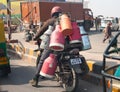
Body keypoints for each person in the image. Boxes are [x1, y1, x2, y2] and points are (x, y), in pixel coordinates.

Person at [29, 6, 62, 87]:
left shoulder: (50, 21)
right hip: (64, 44)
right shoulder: (63, 21)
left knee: (42, 60)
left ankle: (35, 79)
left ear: (53, 13)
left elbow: (41, 31)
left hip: (53, 44)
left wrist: (35, 37)